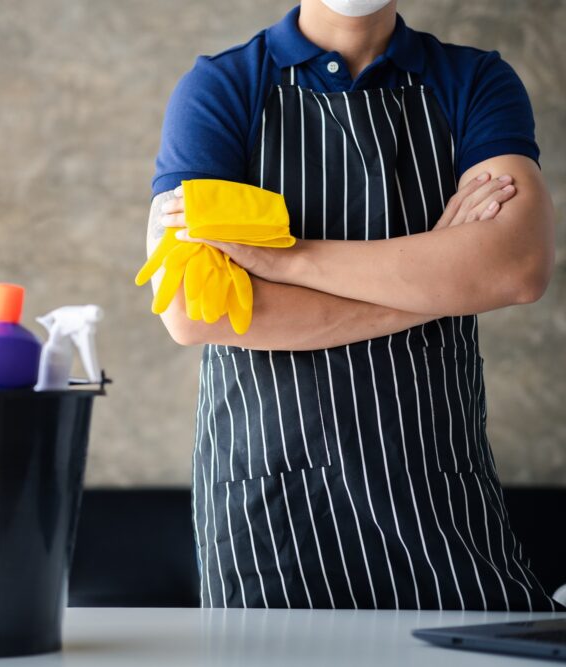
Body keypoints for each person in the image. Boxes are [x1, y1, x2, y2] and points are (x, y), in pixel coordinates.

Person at [146, 0, 556, 610]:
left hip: (438, 494)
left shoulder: (473, 80)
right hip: (272, 508)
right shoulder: (222, 87)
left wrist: (287, 260)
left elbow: (517, 267)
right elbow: (194, 310)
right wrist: (440, 284)